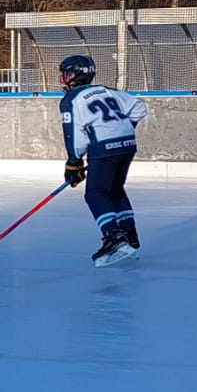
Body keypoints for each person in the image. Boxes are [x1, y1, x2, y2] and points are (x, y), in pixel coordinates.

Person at [59, 53, 149, 267]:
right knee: (115, 190)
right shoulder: (107, 90)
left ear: (75, 76)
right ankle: (129, 234)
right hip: (127, 144)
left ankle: (114, 237)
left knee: (95, 193)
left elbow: (73, 134)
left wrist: (74, 162)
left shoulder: (71, 100)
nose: (62, 78)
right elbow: (139, 107)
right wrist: (121, 128)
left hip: (103, 147)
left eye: (66, 74)